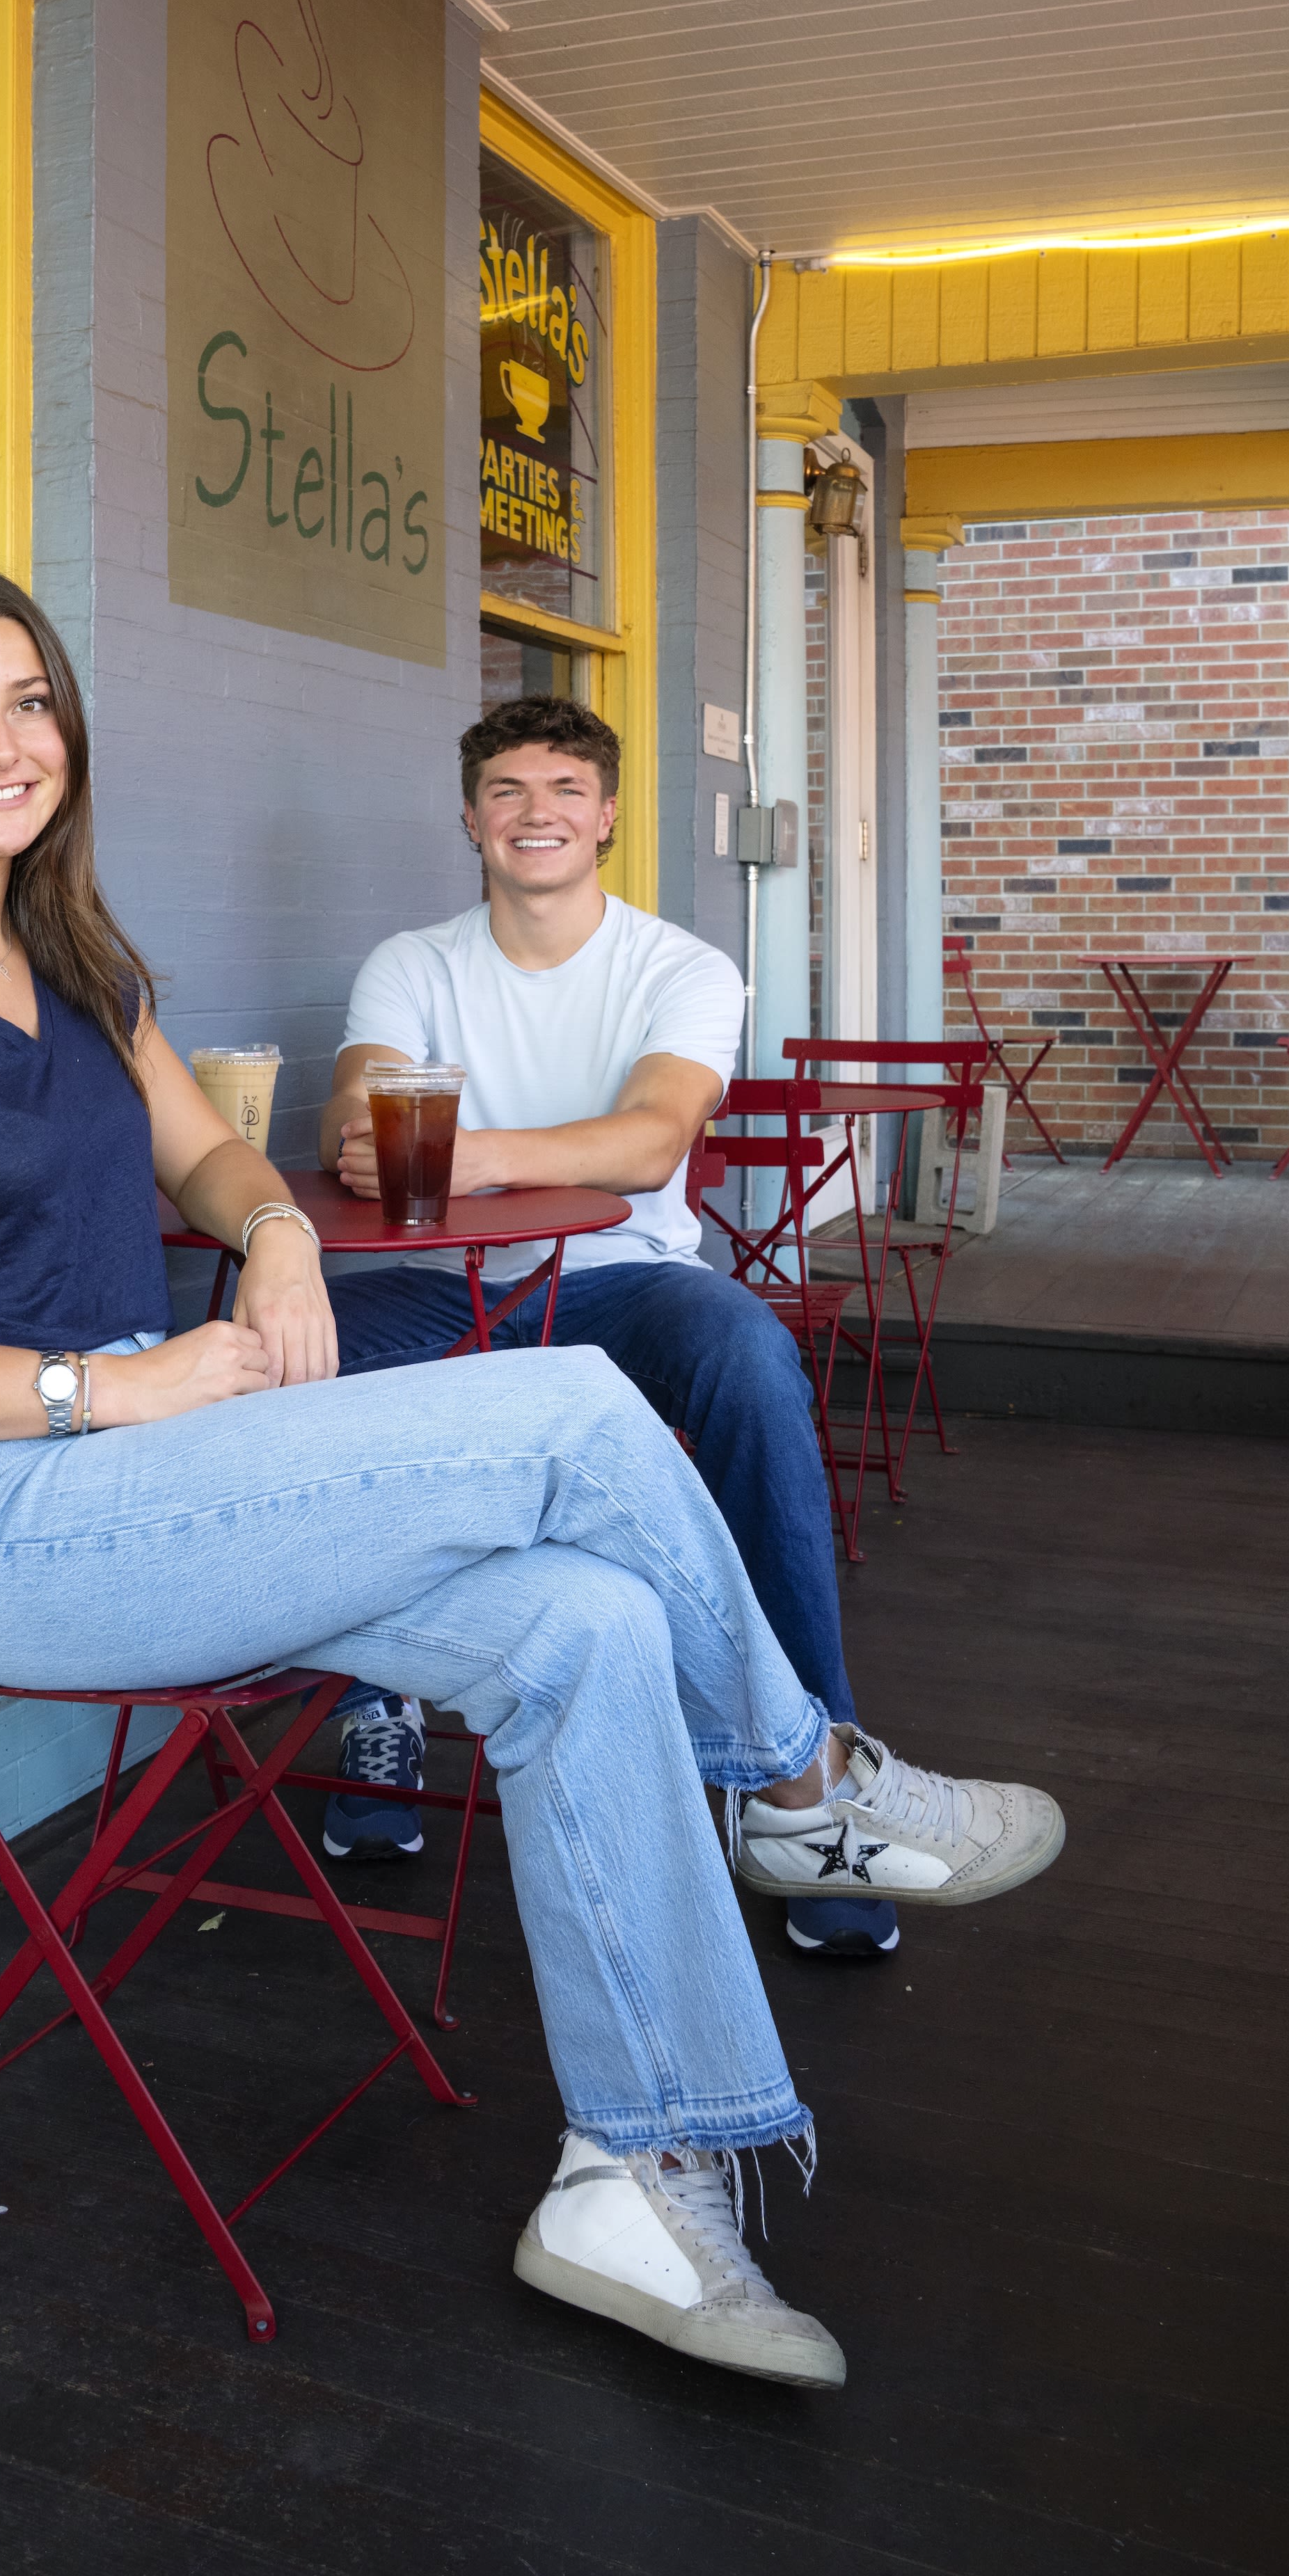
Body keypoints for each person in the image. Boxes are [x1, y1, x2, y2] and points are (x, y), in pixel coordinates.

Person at [0, 564, 1059, 2392]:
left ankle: (639, 2179)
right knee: (579, 1405)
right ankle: (805, 1779)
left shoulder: (79, 972)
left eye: (28, 700)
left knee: (586, 1621)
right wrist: (103, 1396)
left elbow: (215, 1161)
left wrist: (270, 1238)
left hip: (170, 1482)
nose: (0, 744)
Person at [318, 694, 1058, 1967]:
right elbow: (356, 1130)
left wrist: (465, 1154)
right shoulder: (413, 964)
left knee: (750, 1357)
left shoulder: (680, 967)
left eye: (563, 791)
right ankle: (371, 1688)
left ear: (607, 817)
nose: (534, 813)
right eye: (506, 791)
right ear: (469, 818)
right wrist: (488, 1159)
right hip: (437, 1281)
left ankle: (816, 1786)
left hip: (618, 1278)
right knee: (295, 1345)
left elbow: (651, 1144)